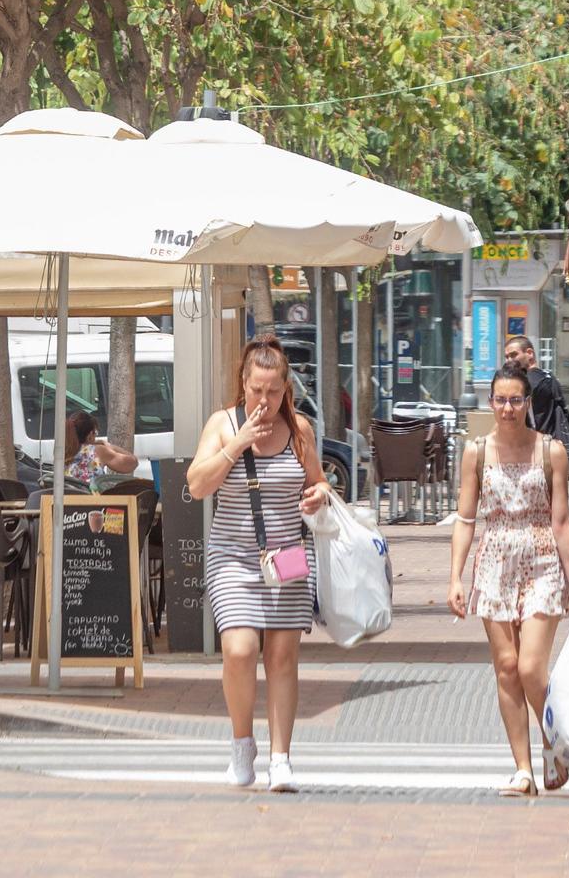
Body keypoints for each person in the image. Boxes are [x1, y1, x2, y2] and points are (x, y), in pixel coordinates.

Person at [188, 333, 330, 792]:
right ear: (242, 384)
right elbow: (196, 485)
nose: (264, 400)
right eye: (256, 390)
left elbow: (320, 483)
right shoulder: (223, 425)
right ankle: (241, 743)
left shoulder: (300, 431)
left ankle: (281, 758)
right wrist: (238, 444)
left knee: (283, 658)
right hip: (232, 557)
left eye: (273, 391)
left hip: (287, 555)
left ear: (286, 389)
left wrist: (320, 494)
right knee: (240, 651)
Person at [448, 361, 569, 797]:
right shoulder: (476, 451)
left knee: (531, 665)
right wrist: (455, 577)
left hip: (542, 559)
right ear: (490, 402)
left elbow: (562, 520)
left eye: (516, 400)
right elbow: (465, 518)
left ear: (527, 403)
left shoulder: (550, 450)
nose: (508, 408)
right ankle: (523, 769)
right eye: (500, 400)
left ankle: (553, 741)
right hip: (493, 562)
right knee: (507, 668)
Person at [504, 334, 569, 479]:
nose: (510, 360)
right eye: (507, 357)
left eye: (514, 355)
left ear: (529, 353)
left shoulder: (521, 384)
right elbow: (565, 416)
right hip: (553, 451)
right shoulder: (549, 377)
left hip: (532, 455)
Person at [63, 410, 138, 488]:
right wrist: (109, 446)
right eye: (95, 432)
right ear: (90, 435)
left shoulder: (64, 452)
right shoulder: (97, 451)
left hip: (68, 498)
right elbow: (132, 463)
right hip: (92, 498)